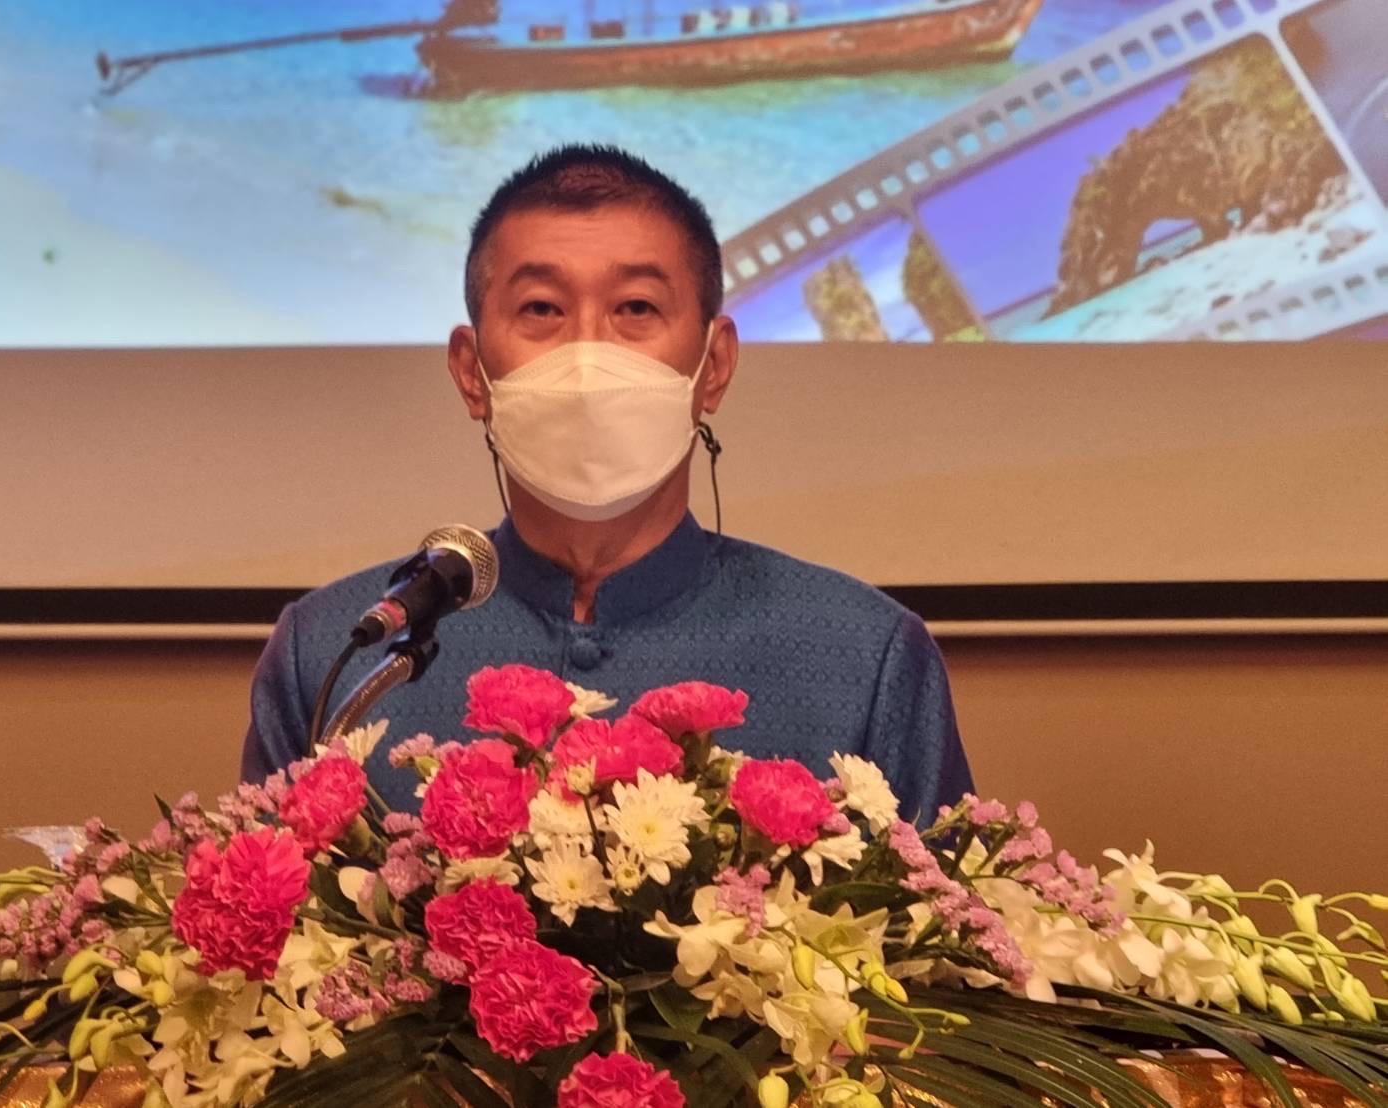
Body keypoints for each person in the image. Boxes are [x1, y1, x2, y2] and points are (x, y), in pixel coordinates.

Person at [242, 144, 973, 822]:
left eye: (636, 309)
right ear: (471, 372)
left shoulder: (862, 656)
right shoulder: (339, 652)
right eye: (541, 310)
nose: (587, 355)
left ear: (714, 366)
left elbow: (942, 919)